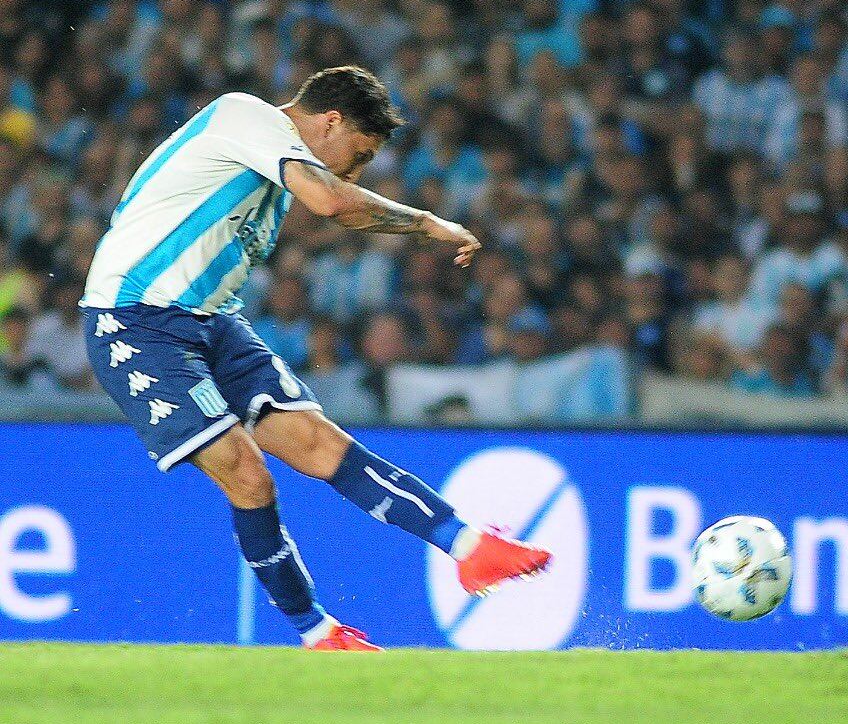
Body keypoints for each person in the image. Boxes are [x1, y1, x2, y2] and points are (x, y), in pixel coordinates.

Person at [79, 67, 551, 652]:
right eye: (358, 153)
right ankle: (316, 631)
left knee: (320, 444)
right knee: (248, 474)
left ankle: (470, 547)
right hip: (134, 319)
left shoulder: (274, 176)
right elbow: (333, 201)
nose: (355, 170)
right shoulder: (243, 115)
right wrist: (427, 223)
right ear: (329, 121)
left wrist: (419, 223)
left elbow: (343, 206)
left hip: (211, 319)